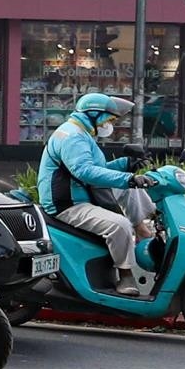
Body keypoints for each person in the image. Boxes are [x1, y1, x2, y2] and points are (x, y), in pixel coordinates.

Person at [38, 92, 153, 293]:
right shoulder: (74, 137)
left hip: (83, 192)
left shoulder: (81, 133)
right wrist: (127, 178)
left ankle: (143, 230)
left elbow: (95, 169)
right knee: (120, 225)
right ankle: (125, 275)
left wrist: (125, 165)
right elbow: (84, 171)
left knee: (132, 190)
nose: (110, 125)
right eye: (109, 119)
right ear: (94, 115)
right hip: (68, 203)